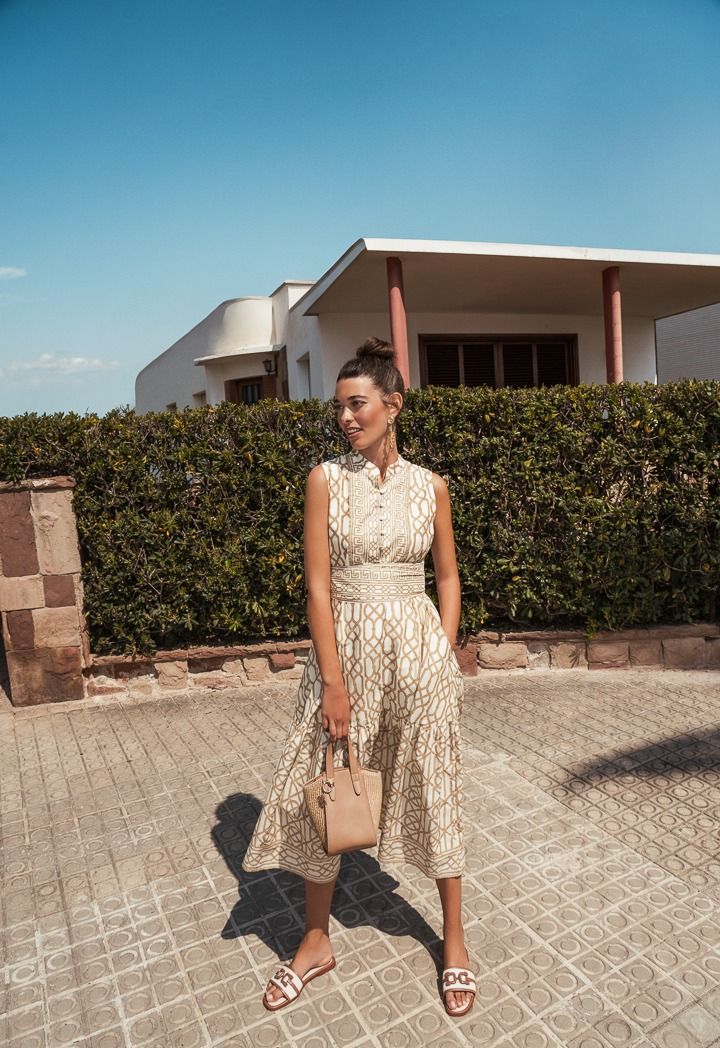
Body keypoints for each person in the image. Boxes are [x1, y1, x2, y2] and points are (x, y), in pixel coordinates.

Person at [241, 337, 474, 1017]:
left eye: (357, 403)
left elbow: (448, 576)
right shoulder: (324, 480)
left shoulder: (431, 486)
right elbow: (318, 587)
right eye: (339, 407)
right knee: (329, 787)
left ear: (393, 405)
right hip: (345, 662)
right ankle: (315, 940)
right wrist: (332, 682)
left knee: (436, 786)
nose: (345, 417)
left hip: (420, 662)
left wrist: (442, 652)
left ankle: (455, 940)